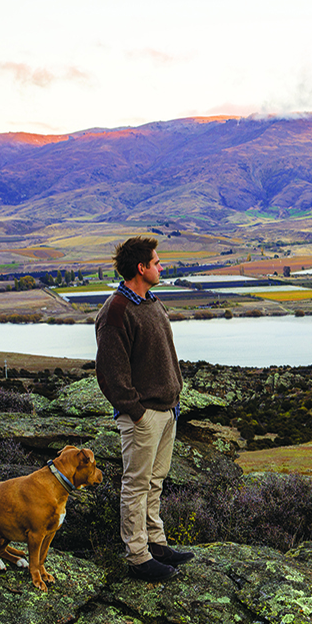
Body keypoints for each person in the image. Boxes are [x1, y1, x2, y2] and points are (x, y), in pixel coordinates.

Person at [95, 236, 193, 581]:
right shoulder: (116, 311)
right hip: (144, 416)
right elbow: (109, 372)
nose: (161, 266)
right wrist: (135, 412)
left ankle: (156, 542)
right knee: (137, 485)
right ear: (141, 268)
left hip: (167, 411)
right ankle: (138, 556)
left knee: (156, 481)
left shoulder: (151, 302)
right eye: (157, 261)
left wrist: (172, 403)